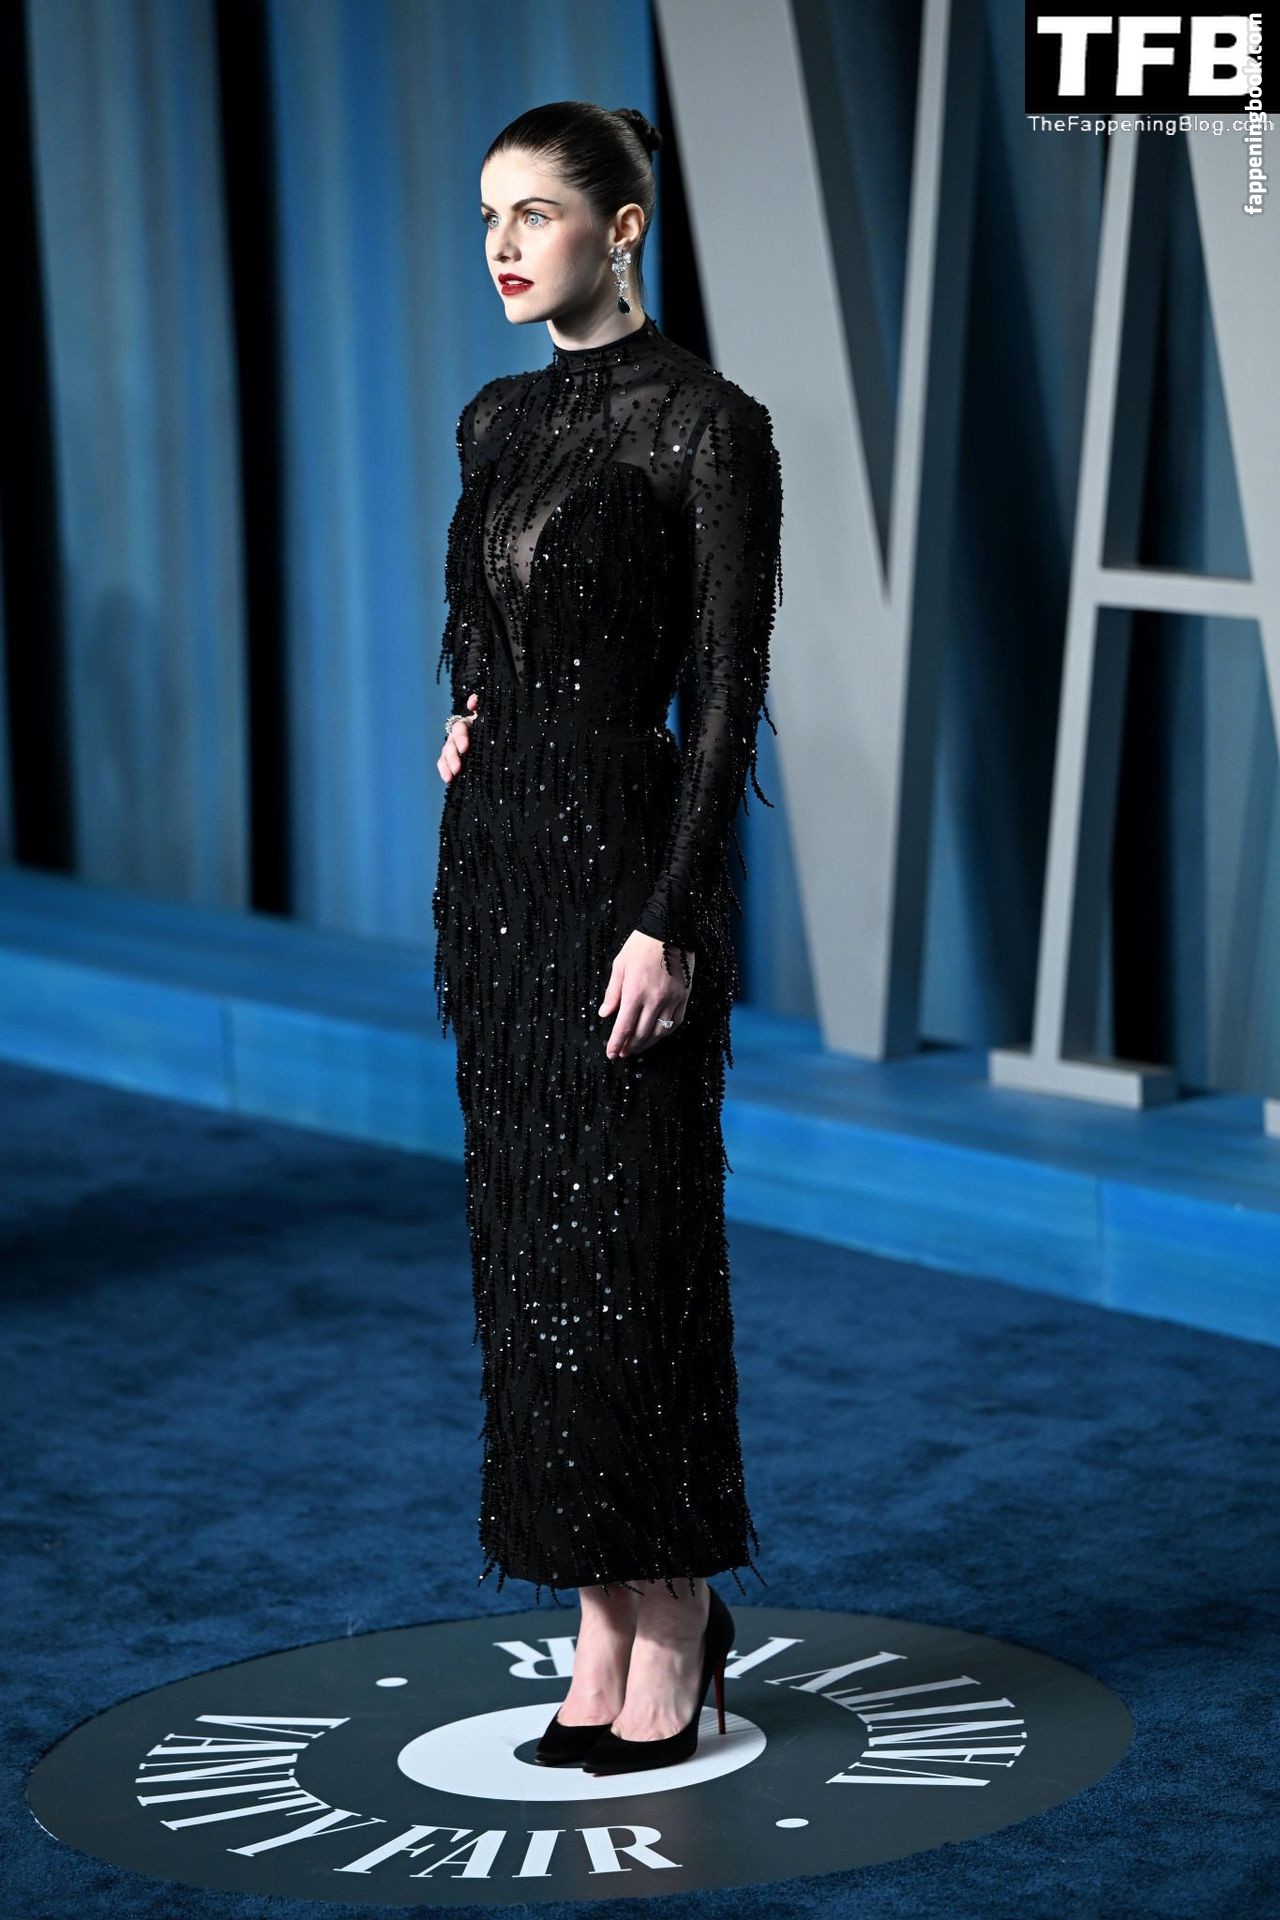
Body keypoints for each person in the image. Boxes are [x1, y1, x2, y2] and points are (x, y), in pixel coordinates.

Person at [432, 99, 783, 1775]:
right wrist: (473, 721)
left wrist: (669, 920)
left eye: (536, 214)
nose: (505, 246)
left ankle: (681, 1609)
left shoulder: (710, 426)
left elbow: (723, 703)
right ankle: (600, 1617)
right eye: (489, 219)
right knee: (531, 1264)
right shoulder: (495, 416)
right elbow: (496, 627)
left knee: (636, 1251)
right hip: (496, 881)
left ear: (622, 227)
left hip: (625, 887)